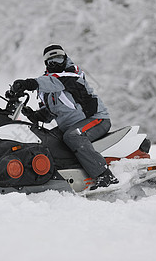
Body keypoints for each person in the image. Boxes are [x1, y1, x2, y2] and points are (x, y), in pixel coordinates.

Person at [11, 44, 118, 190]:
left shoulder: (72, 75)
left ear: (65, 58)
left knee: (73, 136)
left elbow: (56, 81)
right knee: (45, 140)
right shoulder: (48, 87)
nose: (56, 63)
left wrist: (28, 84)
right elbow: (48, 113)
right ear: (46, 64)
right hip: (70, 126)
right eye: (51, 61)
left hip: (96, 119)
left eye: (59, 58)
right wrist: (32, 114)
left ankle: (104, 176)